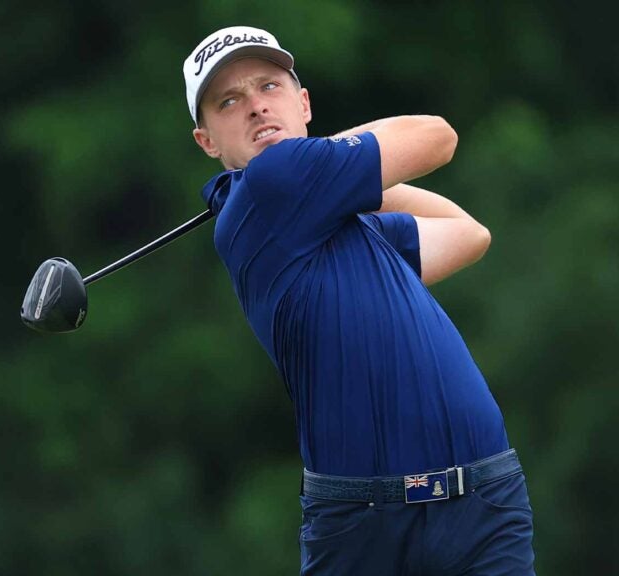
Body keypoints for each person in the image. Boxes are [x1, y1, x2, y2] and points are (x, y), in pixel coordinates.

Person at [183, 26, 536, 575]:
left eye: (269, 88)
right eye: (229, 101)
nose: (255, 107)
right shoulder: (272, 186)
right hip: (366, 528)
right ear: (208, 142)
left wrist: (347, 178)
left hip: (482, 502)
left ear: (304, 103)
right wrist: (326, 160)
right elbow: (436, 135)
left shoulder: (340, 224)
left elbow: (468, 233)